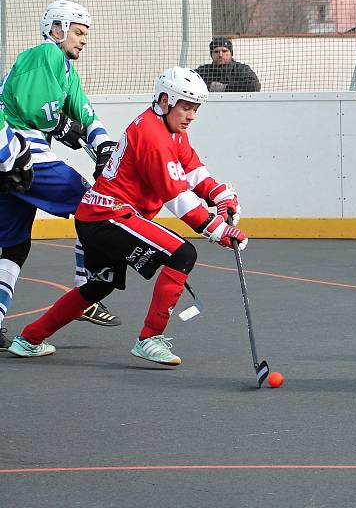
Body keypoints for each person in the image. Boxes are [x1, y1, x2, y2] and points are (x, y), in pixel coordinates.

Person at [7, 66, 249, 365]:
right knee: (182, 254)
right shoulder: (153, 136)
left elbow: (193, 169)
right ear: (164, 101)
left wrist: (219, 195)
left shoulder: (170, 131)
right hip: (110, 216)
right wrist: (216, 229)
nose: (191, 116)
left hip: (97, 216)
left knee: (99, 284)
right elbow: (176, 197)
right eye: (186, 107)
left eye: (195, 109)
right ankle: (149, 338)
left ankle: (28, 339)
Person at [0, 0, 120, 352]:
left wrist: (105, 146)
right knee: (93, 203)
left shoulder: (66, 71)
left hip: (11, 161)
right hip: (22, 150)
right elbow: (33, 109)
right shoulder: (44, 55)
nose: (84, 40)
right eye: (78, 32)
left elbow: (85, 113)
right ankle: (86, 293)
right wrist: (62, 124)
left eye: (86, 34)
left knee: (14, 245)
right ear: (56, 29)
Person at [196, 36, 261, 92]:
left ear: (231, 53)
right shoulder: (203, 71)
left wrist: (221, 88)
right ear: (211, 55)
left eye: (224, 51)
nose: (220, 55)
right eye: (216, 52)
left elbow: (254, 86)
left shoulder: (241, 69)